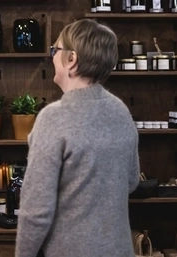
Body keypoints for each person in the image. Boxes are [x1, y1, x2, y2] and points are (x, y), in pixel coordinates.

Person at [15, 18, 140, 257]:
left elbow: (36, 211)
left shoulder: (53, 118)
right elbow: (131, 181)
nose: (52, 57)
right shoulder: (121, 111)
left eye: (55, 50)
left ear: (71, 60)